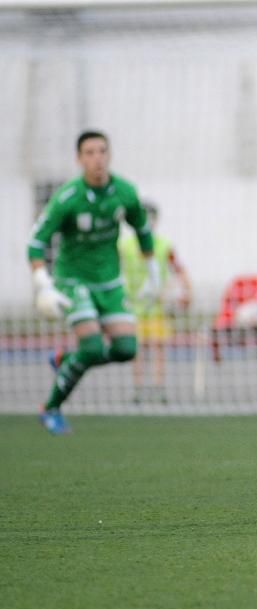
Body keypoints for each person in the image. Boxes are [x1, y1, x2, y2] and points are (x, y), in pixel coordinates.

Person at [28, 130, 158, 434]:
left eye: (102, 151)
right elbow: (36, 243)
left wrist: (152, 274)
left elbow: (142, 230)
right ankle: (50, 408)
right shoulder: (67, 197)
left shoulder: (124, 191)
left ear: (109, 155)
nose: (97, 158)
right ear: (79, 158)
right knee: (92, 346)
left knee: (126, 349)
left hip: (110, 281)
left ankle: (65, 359)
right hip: (73, 280)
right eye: (89, 152)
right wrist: (43, 284)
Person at [118, 202, 193, 404]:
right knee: (136, 349)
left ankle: (159, 388)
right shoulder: (124, 245)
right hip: (132, 306)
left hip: (157, 305)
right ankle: (139, 389)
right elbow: (112, 268)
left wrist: (186, 291)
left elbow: (179, 268)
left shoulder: (163, 244)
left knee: (158, 347)